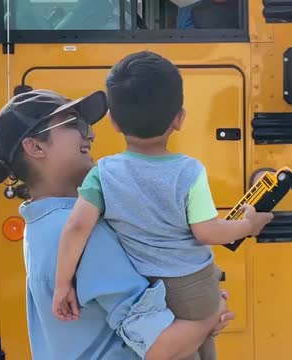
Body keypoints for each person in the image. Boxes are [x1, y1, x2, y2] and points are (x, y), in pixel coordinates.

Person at [52, 51, 273, 359]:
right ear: (179, 119)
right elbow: (207, 232)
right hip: (193, 286)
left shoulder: (102, 174)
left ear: (113, 122)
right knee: (201, 342)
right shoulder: (189, 171)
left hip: (142, 288)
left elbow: (76, 227)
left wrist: (63, 285)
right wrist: (248, 224)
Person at [0, 88, 235, 359]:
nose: (90, 134)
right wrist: (210, 314)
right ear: (35, 147)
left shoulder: (40, 222)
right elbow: (160, 347)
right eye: (74, 123)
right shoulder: (81, 234)